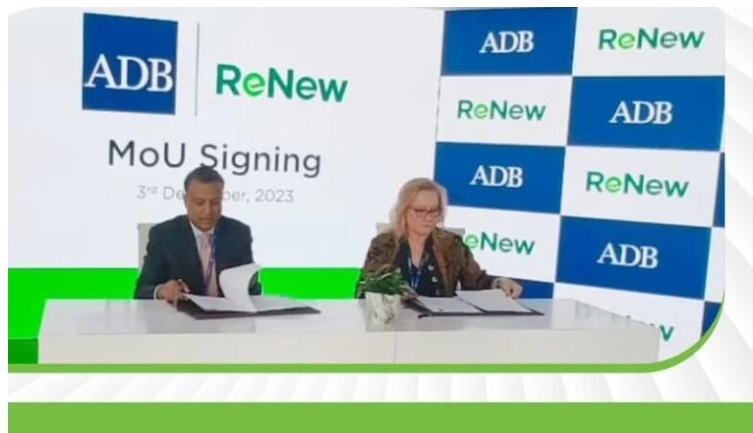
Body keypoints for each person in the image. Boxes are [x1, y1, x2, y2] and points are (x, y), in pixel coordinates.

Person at [355, 177, 522, 299]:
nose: (428, 217)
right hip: (395, 325)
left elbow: (475, 281)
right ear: (404, 211)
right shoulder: (384, 244)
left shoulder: (451, 244)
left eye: (434, 210)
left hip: (439, 326)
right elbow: (364, 290)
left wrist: (498, 283)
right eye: (420, 211)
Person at [134, 166, 260, 304]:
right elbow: (142, 291)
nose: (207, 211)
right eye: (199, 203)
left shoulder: (239, 233)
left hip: (228, 315)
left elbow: (252, 290)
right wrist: (161, 291)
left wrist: (250, 284)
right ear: (185, 200)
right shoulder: (163, 235)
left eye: (215, 203)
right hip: (180, 315)